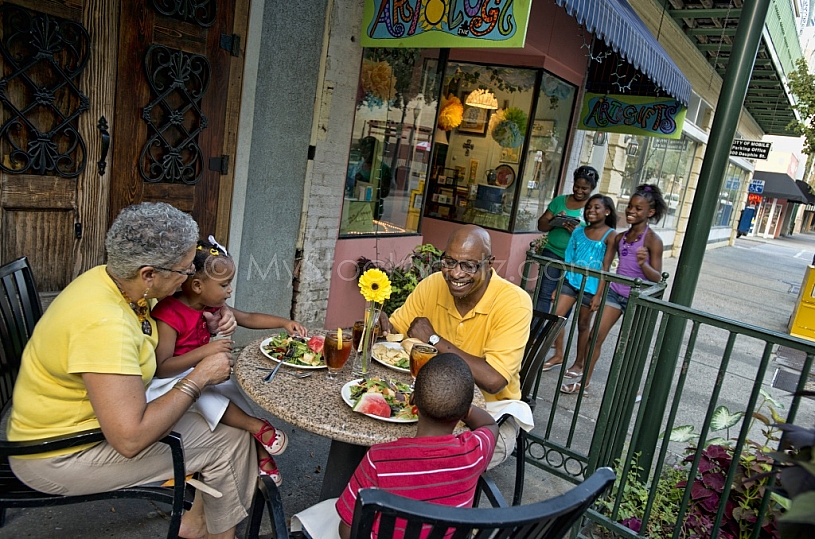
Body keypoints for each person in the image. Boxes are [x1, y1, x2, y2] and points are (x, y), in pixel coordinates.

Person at [7, 202, 256, 539]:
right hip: (58, 455)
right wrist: (199, 377)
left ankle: (198, 525)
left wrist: (217, 311)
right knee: (231, 441)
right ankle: (215, 534)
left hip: (77, 426)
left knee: (229, 426)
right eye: (183, 272)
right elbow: (130, 439)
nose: (187, 280)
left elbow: (174, 313)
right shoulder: (104, 323)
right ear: (149, 274)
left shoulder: (116, 282)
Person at [145, 237, 308, 486]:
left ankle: (261, 454)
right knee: (208, 398)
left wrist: (283, 322)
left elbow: (249, 317)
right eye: (224, 285)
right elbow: (163, 367)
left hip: (204, 373)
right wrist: (205, 352)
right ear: (197, 285)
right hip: (173, 382)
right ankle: (257, 426)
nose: (229, 291)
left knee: (233, 395)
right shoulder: (169, 313)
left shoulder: (213, 305)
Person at [290, 353, 498, 539]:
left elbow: (348, 531)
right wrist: (464, 408)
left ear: (413, 400)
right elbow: (490, 425)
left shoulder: (379, 459)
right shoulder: (474, 451)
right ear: (464, 413)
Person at [382, 224, 533, 467]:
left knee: (423, 460)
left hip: (489, 417)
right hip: (431, 403)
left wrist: (434, 340)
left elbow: (494, 381)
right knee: (386, 441)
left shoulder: (513, 303)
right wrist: (379, 325)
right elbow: (395, 331)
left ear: (489, 263)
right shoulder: (432, 285)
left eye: (469, 265)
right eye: (449, 261)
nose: (455, 273)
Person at [560, 184, 667, 395]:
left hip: (638, 299)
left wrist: (644, 265)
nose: (631, 212)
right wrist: (599, 293)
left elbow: (658, 279)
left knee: (630, 346)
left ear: (650, 212)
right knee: (594, 337)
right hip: (615, 293)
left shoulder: (654, 241)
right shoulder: (620, 238)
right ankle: (584, 382)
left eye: (638, 209)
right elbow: (605, 267)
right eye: (629, 207)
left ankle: (631, 389)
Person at [542, 195, 617, 375]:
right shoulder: (577, 231)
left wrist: (599, 294)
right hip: (571, 281)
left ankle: (578, 363)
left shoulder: (610, 235)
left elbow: (606, 267)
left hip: (591, 287)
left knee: (583, 325)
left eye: (597, 207)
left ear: (607, 211)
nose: (591, 210)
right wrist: (559, 285)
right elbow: (569, 258)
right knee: (556, 317)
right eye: (589, 207)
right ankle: (558, 354)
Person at [535, 165, 599, 314]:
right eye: (577, 186)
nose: (579, 191)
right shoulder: (559, 201)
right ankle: (536, 334)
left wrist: (578, 232)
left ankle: (554, 334)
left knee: (566, 298)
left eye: (584, 189)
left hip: (576, 260)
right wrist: (555, 220)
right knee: (544, 294)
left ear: (592, 189)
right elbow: (541, 225)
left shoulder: (594, 208)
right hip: (552, 253)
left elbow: (597, 237)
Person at [345, 136, 392, 220]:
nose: (363, 153)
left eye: (367, 151)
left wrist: (372, 184)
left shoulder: (383, 169)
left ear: (375, 151)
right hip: (354, 208)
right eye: (362, 150)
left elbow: (384, 193)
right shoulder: (358, 166)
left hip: (371, 210)